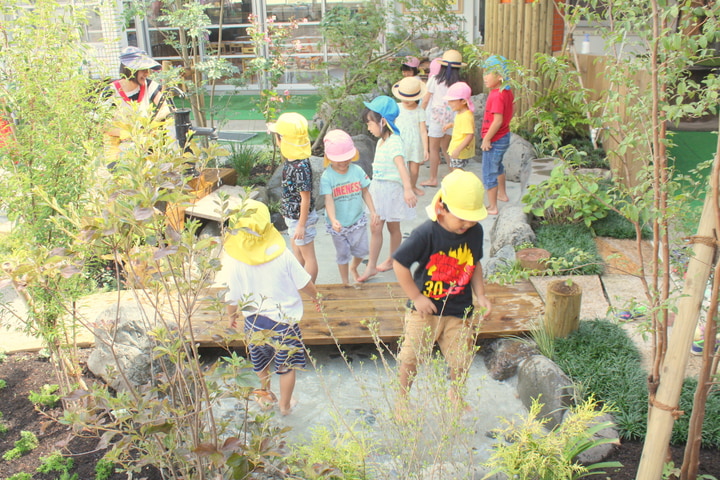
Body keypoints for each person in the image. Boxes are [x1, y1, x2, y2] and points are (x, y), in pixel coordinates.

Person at [392, 170, 492, 414]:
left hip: (460, 311)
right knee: (410, 357)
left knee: (461, 359)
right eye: (462, 218)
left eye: (472, 219)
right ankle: (402, 399)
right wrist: (417, 297)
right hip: (425, 312)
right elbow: (399, 263)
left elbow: (474, 263)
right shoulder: (425, 233)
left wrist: (481, 295)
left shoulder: (474, 233)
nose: (467, 224)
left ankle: (454, 393)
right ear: (442, 208)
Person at [223, 198, 321, 416]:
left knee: (260, 362)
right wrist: (317, 297)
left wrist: (231, 316)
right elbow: (303, 282)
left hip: (254, 322)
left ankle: (265, 396)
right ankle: (285, 405)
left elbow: (231, 296)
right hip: (285, 323)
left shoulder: (236, 261)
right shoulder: (282, 255)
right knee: (286, 367)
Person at [357, 96, 417, 283]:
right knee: (375, 227)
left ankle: (392, 259)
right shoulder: (381, 141)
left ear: (383, 121)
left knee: (393, 227)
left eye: (370, 123)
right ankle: (371, 266)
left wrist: (408, 189)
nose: (368, 127)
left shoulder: (395, 141)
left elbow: (401, 166)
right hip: (379, 189)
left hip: (391, 191)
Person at [319, 130, 379, 285]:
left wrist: (373, 211)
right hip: (338, 224)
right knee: (342, 254)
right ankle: (345, 283)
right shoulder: (327, 176)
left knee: (362, 251)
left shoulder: (357, 171)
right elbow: (329, 200)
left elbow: (365, 192)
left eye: (347, 159)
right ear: (328, 158)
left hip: (356, 219)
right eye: (339, 160)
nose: (343, 163)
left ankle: (354, 267)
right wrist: (333, 220)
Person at [268, 112, 319, 283]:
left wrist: (301, 225)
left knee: (308, 255)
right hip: (293, 218)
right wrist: (286, 211)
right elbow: (290, 192)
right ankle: (300, 286)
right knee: (297, 253)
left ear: (282, 139)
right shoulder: (291, 161)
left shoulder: (300, 166)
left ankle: (311, 291)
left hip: (301, 220)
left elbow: (305, 198)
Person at [104, 46, 172, 165]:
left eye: (148, 69)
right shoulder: (111, 91)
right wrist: (130, 133)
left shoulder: (149, 85)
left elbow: (165, 107)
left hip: (144, 144)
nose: (147, 73)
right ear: (130, 70)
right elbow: (101, 125)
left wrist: (149, 125)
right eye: (143, 70)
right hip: (118, 149)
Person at [421, 49, 465, 187]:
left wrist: (419, 114)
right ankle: (455, 173)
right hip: (453, 117)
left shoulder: (434, 80)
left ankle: (433, 178)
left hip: (437, 117)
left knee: (434, 149)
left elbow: (426, 99)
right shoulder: (459, 83)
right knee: (448, 147)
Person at [481, 55, 514, 216]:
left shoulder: (497, 95)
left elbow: (497, 120)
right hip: (503, 136)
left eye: (489, 73)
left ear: (500, 76)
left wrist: (487, 138)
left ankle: (492, 206)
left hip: (494, 139)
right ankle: (502, 194)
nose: (484, 77)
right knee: (498, 166)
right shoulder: (506, 91)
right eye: (484, 72)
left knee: (489, 172)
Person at [392, 76, 428, 197]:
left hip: (415, 143)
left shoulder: (419, 111)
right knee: (399, 166)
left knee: (414, 169)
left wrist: (426, 148)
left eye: (409, 98)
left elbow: (423, 131)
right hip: (400, 141)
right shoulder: (397, 107)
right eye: (403, 97)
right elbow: (390, 124)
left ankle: (412, 186)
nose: (406, 100)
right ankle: (402, 187)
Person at [442, 82, 475, 171]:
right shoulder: (460, 113)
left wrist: (458, 149)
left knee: (457, 170)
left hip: (460, 150)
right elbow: (461, 125)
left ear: (463, 101)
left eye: (452, 101)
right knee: (455, 169)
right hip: (456, 146)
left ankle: (462, 184)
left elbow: (469, 135)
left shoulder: (466, 116)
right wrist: (451, 125)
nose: (449, 103)